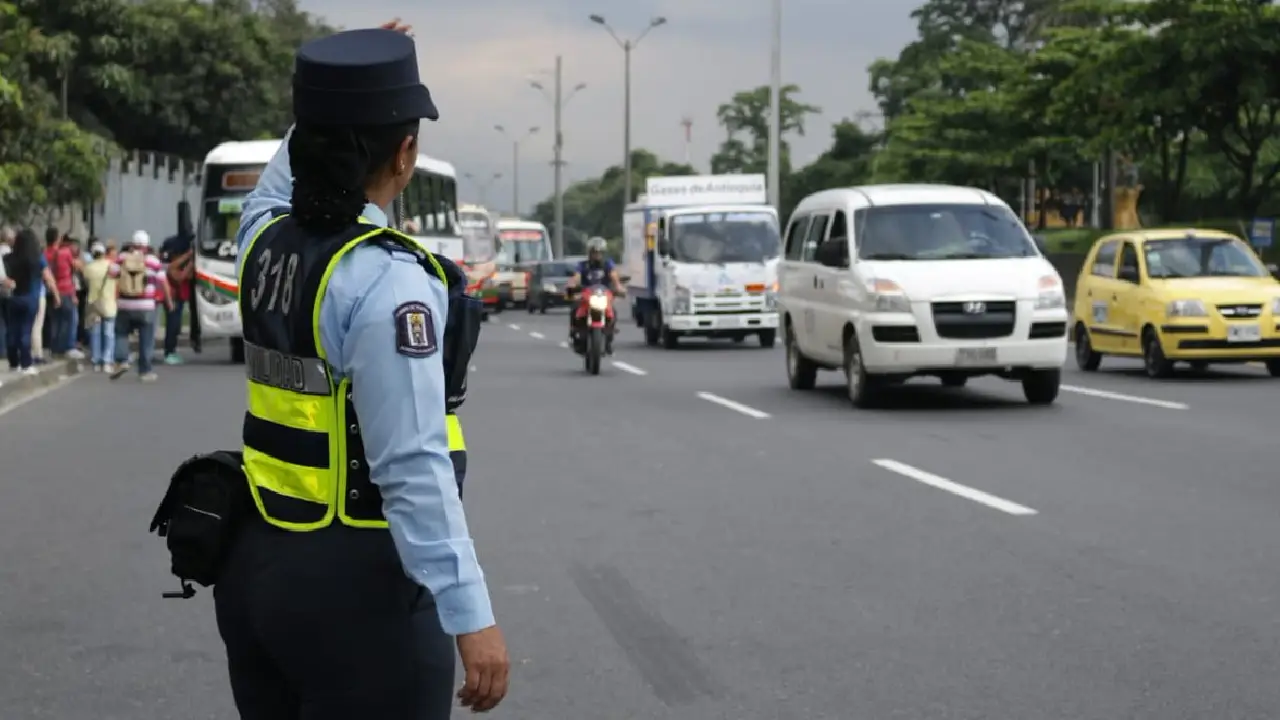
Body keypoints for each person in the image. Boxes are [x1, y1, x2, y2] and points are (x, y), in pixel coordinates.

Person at [213, 20, 508, 720]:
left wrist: (331, 92)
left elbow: (279, 182)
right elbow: (409, 463)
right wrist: (470, 613)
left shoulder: (262, 241)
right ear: (404, 152)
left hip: (255, 563)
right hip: (359, 589)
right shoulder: (387, 282)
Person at [109, 231, 171, 382]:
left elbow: (111, 273)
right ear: (147, 245)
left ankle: (122, 360)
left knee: (121, 333)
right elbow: (163, 282)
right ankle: (145, 371)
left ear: (132, 244)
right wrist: (169, 301)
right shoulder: (153, 261)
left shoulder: (122, 258)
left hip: (124, 305)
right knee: (146, 338)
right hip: (146, 306)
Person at [4, 229, 60, 374]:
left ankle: (13, 362)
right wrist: (56, 294)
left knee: (12, 330)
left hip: (12, 297)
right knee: (25, 330)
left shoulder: (8, 258)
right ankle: (26, 363)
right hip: (31, 297)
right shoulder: (37, 258)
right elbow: (47, 276)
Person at [565, 236, 624, 354]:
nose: (596, 255)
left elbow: (614, 275)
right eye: (594, 252)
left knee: (613, 311)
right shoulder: (583, 265)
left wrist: (618, 287)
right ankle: (574, 332)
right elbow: (576, 276)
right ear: (589, 252)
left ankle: (609, 337)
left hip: (604, 294)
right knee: (575, 308)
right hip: (587, 294)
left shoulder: (608, 264)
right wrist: (571, 285)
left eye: (599, 252)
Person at [159, 230, 194, 364]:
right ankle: (169, 352)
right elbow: (178, 277)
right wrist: (189, 259)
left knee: (176, 325)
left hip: (178, 298)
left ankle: (171, 350)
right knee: (172, 325)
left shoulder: (176, 264)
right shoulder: (168, 265)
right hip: (172, 299)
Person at [83, 240, 119, 372]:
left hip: (94, 303)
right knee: (109, 333)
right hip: (109, 303)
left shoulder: (88, 268)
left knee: (95, 333)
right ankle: (107, 361)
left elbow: (86, 283)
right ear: (104, 253)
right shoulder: (112, 266)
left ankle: (96, 361)